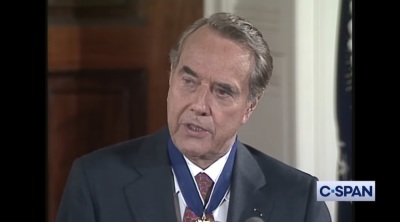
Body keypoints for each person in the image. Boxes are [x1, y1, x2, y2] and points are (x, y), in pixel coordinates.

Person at [56, 12, 332, 222]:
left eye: (222, 92)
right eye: (189, 81)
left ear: (249, 107)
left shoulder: (301, 200)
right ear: (171, 77)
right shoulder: (96, 182)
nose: (199, 105)